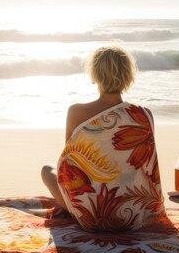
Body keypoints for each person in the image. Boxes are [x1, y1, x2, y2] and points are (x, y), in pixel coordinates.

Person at [41, 45, 166, 231]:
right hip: (133, 212)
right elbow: (142, 166)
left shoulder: (76, 112)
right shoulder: (144, 115)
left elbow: (70, 166)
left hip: (91, 216)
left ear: (94, 76)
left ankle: (70, 209)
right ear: (128, 77)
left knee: (47, 170)